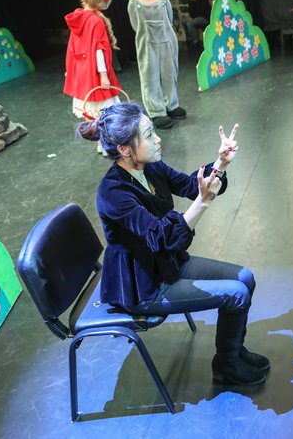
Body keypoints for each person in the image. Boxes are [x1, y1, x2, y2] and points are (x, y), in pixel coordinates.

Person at [76, 102, 269, 385]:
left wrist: (220, 164)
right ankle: (226, 366)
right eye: (148, 135)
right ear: (125, 149)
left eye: (153, 131)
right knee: (237, 294)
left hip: (167, 263)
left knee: (245, 278)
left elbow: (190, 185)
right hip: (144, 285)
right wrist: (202, 203)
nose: (158, 139)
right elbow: (162, 238)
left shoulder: (150, 167)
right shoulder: (113, 192)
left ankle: (234, 352)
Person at [63, 0, 123, 155]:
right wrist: (103, 74)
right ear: (100, 2)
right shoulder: (95, 21)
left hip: (82, 72)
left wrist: (70, 69)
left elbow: (72, 47)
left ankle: (100, 144)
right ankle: (105, 145)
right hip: (95, 73)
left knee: (91, 111)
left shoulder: (78, 18)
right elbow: (99, 50)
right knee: (104, 111)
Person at [127, 0, 185, 130]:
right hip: (147, 44)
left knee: (169, 74)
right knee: (150, 76)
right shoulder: (134, 3)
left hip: (166, 41)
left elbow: (169, 19)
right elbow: (135, 25)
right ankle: (156, 111)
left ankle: (171, 105)